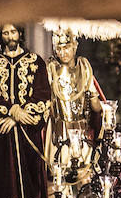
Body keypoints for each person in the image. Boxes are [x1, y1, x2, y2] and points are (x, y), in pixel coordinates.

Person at [0, 23, 51, 198]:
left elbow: (43, 94)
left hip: (28, 132)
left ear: (20, 33)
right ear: (0, 35)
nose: (10, 36)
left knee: (32, 177)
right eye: (5, 33)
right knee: (3, 177)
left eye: (13, 32)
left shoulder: (36, 62)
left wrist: (17, 118)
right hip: (2, 134)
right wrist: (12, 110)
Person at [44, 29, 104, 171]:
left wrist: (100, 106)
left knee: (85, 175)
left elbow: (96, 107)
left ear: (75, 46)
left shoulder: (84, 67)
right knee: (59, 178)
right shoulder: (51, 69)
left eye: (66, 47)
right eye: (59, 48)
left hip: (82, 131)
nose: (63, 52)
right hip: (58, 131)